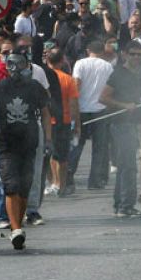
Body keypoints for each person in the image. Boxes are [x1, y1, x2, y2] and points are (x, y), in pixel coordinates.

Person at [0, 54, 51, 250]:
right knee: (11, 185)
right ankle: (15, 229)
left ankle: (19, 222)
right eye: (13, 65)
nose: (17, 69)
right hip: (6, 144)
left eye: (21, 64)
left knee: (24, 187)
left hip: (29, 143)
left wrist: (48, 139)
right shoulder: (0, 87)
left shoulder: (35, 88)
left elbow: (46, 113)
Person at [99, 40, 141, 218]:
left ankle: (120, 204)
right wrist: (124, 105)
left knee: (124, 165)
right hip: (120, 123)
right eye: (133, 54)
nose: (136, 57)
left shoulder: (135, 74)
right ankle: (126, 206)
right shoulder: (118, 74)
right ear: (124, 54)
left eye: (139, 54)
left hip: (130, 123)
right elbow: (103, 97)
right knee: (129, 166)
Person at [67, 40, 113, 190]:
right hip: (101, 110)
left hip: (82, 110)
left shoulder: (80, 64)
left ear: (88, 50)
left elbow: (76, 85)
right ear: (102, 52)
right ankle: (95, 181)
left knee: (77, 145)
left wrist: (73, 106)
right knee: (99, 148)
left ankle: (68, 177)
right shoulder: (108, 66)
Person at [45, 50, 80, 197]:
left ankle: (52, 182)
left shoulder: (44, 78)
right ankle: (62, 184)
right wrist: (76, 124)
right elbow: (73, 104)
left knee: (50, 154)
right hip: (64, 121)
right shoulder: (68, 79)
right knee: (63, 156)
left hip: (47, 120)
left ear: (47, 62)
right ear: (61, 62)